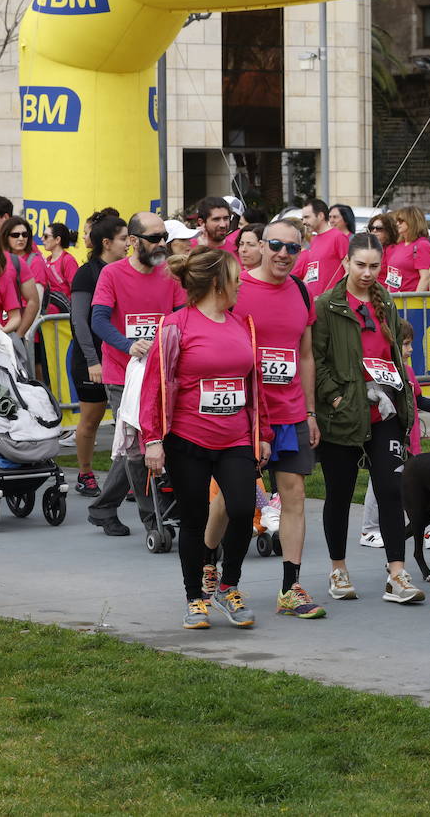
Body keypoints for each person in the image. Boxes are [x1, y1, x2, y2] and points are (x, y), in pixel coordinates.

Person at [141, 247, 267, 630]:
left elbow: (254, 385)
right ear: (217, 283)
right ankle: (195, 597)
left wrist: (262, 434)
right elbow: (155, 386)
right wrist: (152, 439)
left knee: (244, 509)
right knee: (194, 518)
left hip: (236, 439)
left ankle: (228, 587)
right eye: (235, 277)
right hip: (188, 440)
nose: (241, 283)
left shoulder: (243, 324)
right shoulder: (176, 325)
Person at [220, 219, 325, 619]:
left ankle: (290, 587)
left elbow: (306, 356)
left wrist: (311, 411)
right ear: (261, 246)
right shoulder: (238, 289)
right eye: (277, 245)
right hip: (245, 411)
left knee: (294, 496)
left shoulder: (301, 291)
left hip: (291, 411)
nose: (284, 254)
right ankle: (212, 574)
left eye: (292, 248)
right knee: (233, 501)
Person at [313, 233, 421, 605]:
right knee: (339, 494)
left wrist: (396, 388)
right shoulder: (326, 304)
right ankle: (338, 570)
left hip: (384, 409)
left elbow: (392, 354)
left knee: (391, 491)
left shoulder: (385, 301)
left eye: (375, 266)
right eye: (360, 265)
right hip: (343, 412)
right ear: (345, 263)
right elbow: (319, 360)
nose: (368, 273)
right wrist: (338, 395)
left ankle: (396, 573)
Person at [87, 211, 182, 537]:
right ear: (133, 241)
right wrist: (128, 345)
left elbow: (182, 315)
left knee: (134, 446)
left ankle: (101, 507)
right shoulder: (112, 274)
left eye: (164, 238)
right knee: (139, 448)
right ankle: (152, 520)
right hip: (122, 374)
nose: (161, 245)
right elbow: (98, 321)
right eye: (154, 239)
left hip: (163, 373)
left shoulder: (170, 275)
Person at [68, 214, 129, 498]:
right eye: (123, 239)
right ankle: (85, 473)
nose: (129, 244)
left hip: (122, 358)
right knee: (91, 420)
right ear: (106, 243)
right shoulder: (87, 272)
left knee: (127, 421)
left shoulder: (128, 271)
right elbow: (80, 321)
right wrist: (93, 361)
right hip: (91, 359)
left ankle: (131, 477)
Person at [296, 198, 350, 296]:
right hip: (314, 302)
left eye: (307, 217)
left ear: (320, 216)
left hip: (331, 302)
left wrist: (335, 295)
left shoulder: (338, 237)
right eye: (302, 218)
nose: (303, 222)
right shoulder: (314, 240)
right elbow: (311, 271)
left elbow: (349, 270)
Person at [1, 216, 51, 318]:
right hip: (2, 323)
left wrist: (24, 333)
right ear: (6, 237)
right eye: (15, 235)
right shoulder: (0, 259)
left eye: (24, 234)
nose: (21, 238)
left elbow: (36, 303)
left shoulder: (35, 262)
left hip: (24, 324)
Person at [383, 206, 430, 293]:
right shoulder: (399, 245)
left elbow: (425, 278)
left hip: (411, 301)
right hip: (395, 299)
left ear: (412, 222)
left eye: (401, 221)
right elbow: (392, 277)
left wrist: (415, 301)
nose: (397, 224)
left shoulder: (422, 244)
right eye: (397, 221)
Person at [41, 223, 79, 303]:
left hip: (64, 312)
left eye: (46, 236)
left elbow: (76, 292)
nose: (42, 239)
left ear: (57, 240)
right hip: (48, 309)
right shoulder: (47, 260)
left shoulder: (68, 260)